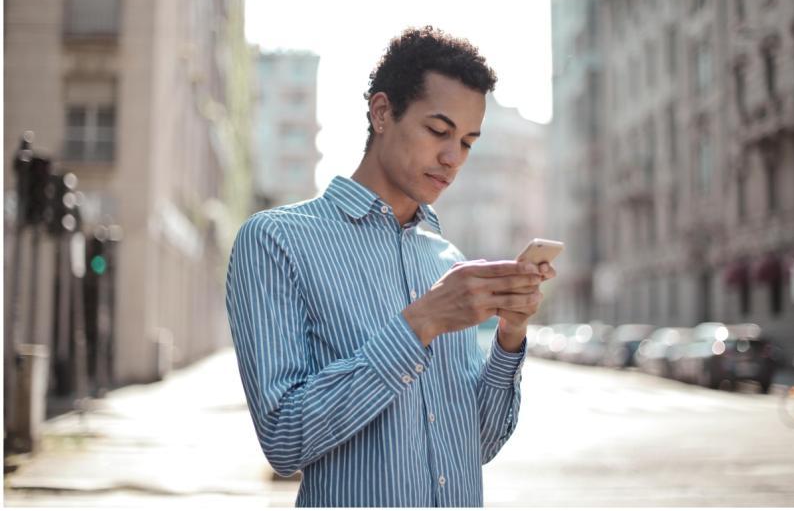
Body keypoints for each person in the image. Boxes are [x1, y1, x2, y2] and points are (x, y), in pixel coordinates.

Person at [225, 26, 557, 507]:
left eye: (467, 142)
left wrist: (510, 336)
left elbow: (477, 444)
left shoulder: (446, 258)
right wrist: (421, 323)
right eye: (439, 131)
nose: (452, 158)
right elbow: (284, 439)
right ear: (382, 113)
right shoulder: (277, 241)